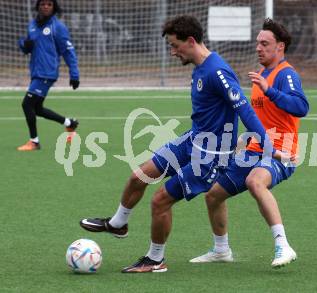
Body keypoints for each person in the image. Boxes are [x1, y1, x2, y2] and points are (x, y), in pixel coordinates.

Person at [79, 15, 292, 273]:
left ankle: (155, 259)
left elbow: (245, 110)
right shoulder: (200, 67)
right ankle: (118, 223)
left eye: (174, 45)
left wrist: (268, 147)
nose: (172, 52)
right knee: (139, 176)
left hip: (211, 155)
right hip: (193, 140)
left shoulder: (218, 71)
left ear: (191, 41)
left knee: (160, 200)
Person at [189, 18, 309, 268]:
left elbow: (301, 107)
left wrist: (270, 91)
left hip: (281, 152)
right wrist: (244, 139)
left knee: (255, 181)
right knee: (213, 196)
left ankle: (283, 245)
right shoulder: (263, 74)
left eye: (265, 43)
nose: (258, 48)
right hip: (256, 150)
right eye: (258, 43)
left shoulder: (285, 74)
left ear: (280, 47)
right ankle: (221, 250)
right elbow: (262, 120)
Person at [17, 0, 80, 151]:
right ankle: (69, 124)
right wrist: (24, 45)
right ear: (38, 6)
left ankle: (34, 142)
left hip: (47, 72)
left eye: (49, 4)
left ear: (54, 7)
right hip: (36, 72)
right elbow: (26, 46)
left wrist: (74, 74)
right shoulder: (32, 25)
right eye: (43, 4)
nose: (46, 6)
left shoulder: (58, 27)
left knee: (27, 104)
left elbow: (68, 51)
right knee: (37, 108)